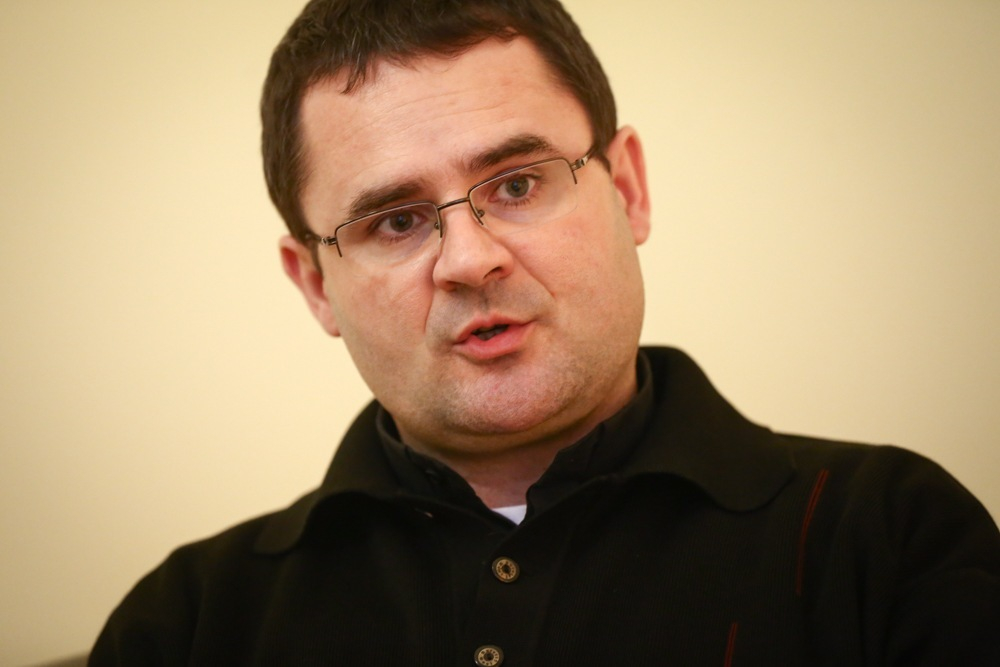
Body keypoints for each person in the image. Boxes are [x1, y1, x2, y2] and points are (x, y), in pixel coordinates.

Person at [90, 0, 1000, 664]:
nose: (469, 259)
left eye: (518, 183)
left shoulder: (891, 537)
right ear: (315, 283)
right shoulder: (189, 623)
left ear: (628, 189)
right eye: (395, 221)